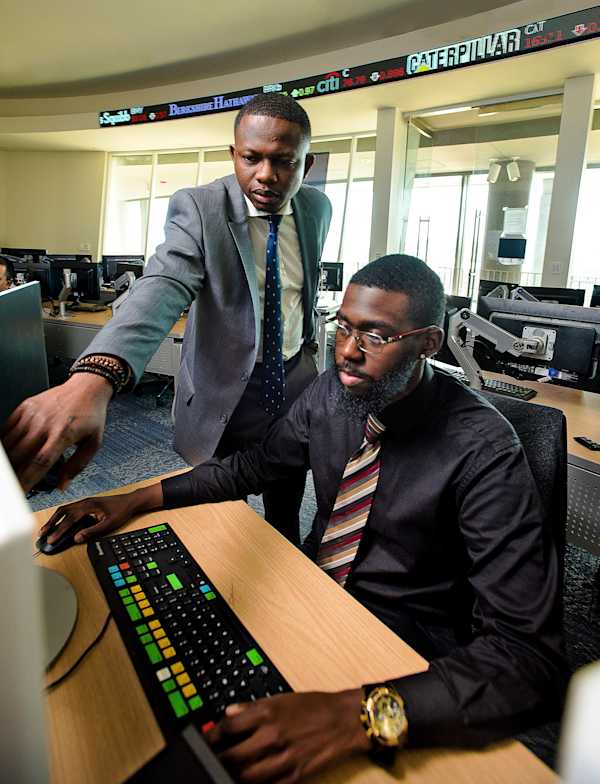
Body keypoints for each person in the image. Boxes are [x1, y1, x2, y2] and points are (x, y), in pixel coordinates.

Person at [40, 255, 565, 782]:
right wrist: (135, 500)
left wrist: (356, 717)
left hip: (404, 641)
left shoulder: (484, 448)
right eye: (344, 327)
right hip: (315, 593)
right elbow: (255, 465)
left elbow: (528, 656)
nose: (348, 351)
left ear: (429, 343)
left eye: (375, 336)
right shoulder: (333, 390)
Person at [2, 93, 331, 545]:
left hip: (294, 386)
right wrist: (95, 377)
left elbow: (298, 293)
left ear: (306, 164)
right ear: (233, 154)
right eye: (251, 158)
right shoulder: (200, 207)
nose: (265, 175)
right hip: (224, 393)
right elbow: (164, 282)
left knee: (286, 508)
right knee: (218, 516)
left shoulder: (317, 209)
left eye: (284, 162)